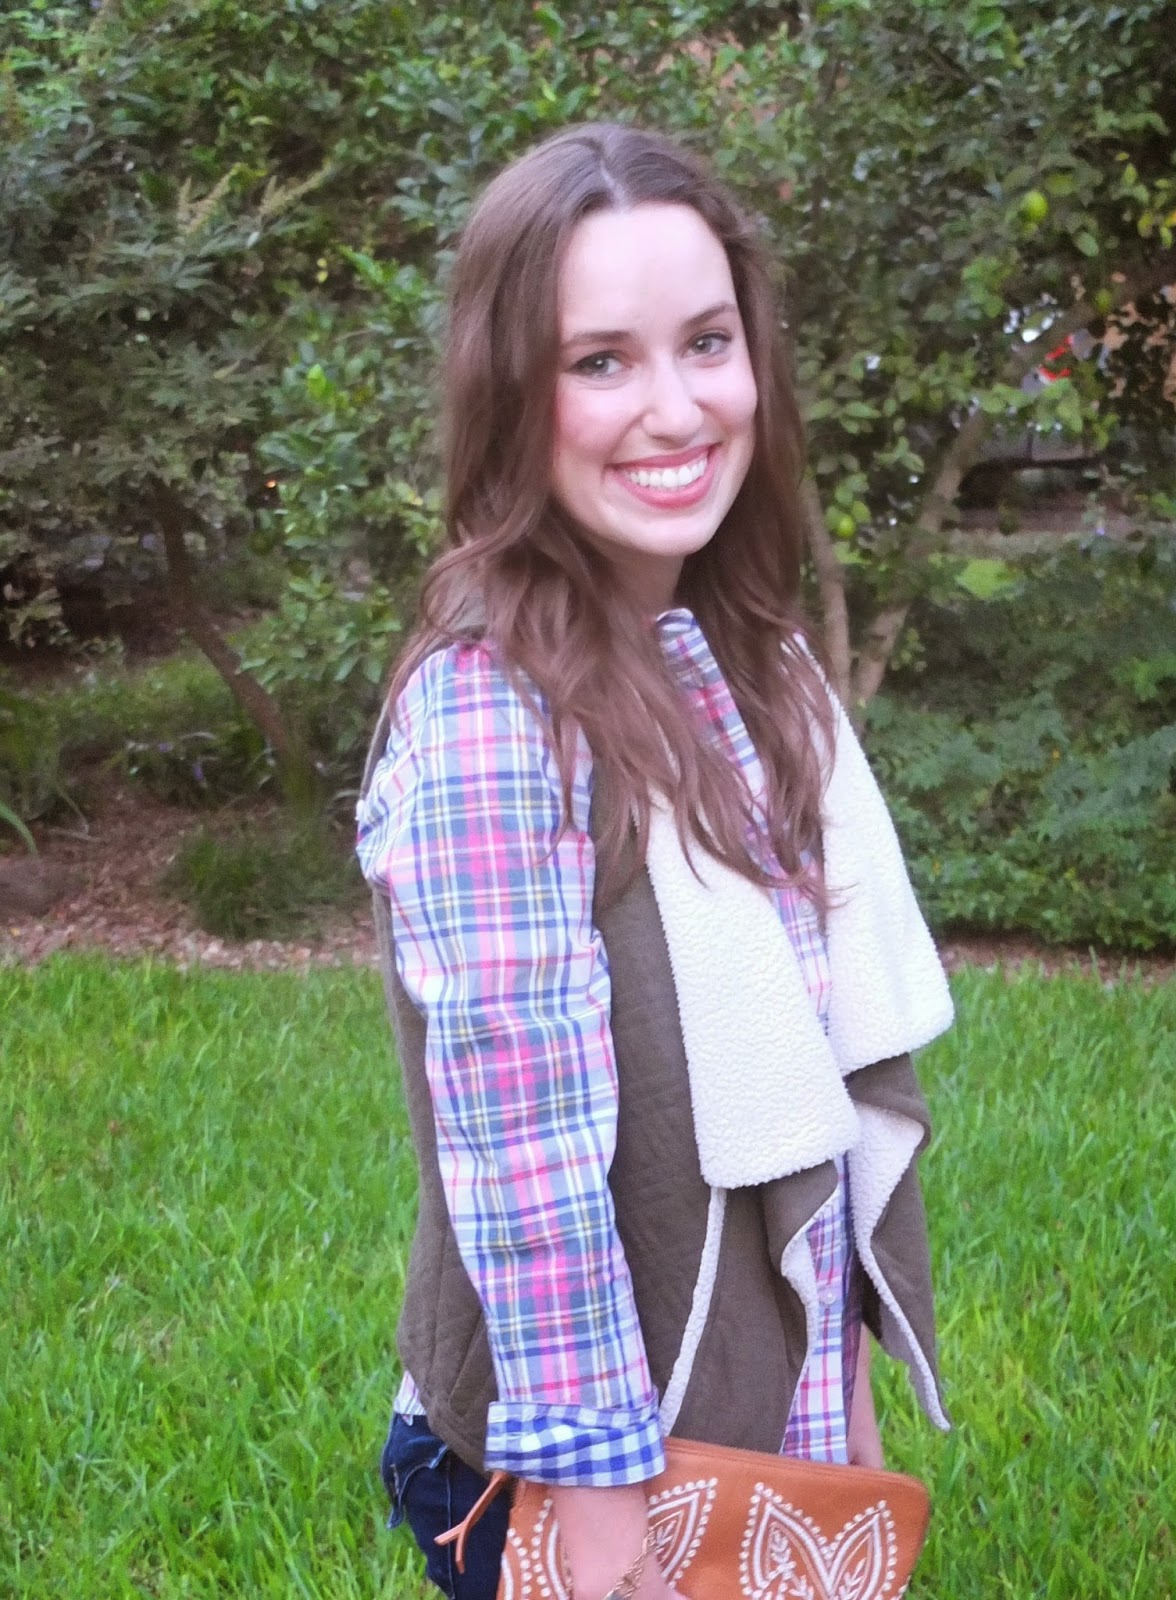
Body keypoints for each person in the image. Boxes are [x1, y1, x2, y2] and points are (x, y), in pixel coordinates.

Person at [356, 122, 954, 1600]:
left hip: (765, 1411)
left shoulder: (752, 665)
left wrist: (838, 1404)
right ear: (511, 391)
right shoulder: (492, 711)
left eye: (705, 342)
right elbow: (528, 1159)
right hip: (583, 1461)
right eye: (600, 361)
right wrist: (606, 1518)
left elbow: (827, 1072)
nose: (676, 408)